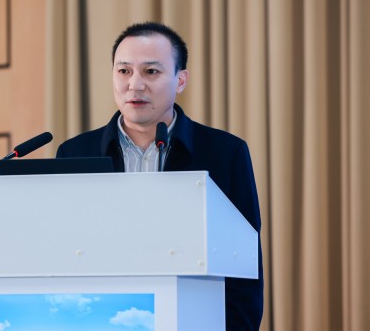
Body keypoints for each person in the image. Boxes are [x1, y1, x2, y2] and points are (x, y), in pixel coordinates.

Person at [56, 22, 263, 330]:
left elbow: (243, 268)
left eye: (151, 71)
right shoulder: (75, 153)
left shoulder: (225, 153)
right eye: (124, 71)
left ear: (181, 80)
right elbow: (62, 257)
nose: (135, 84)